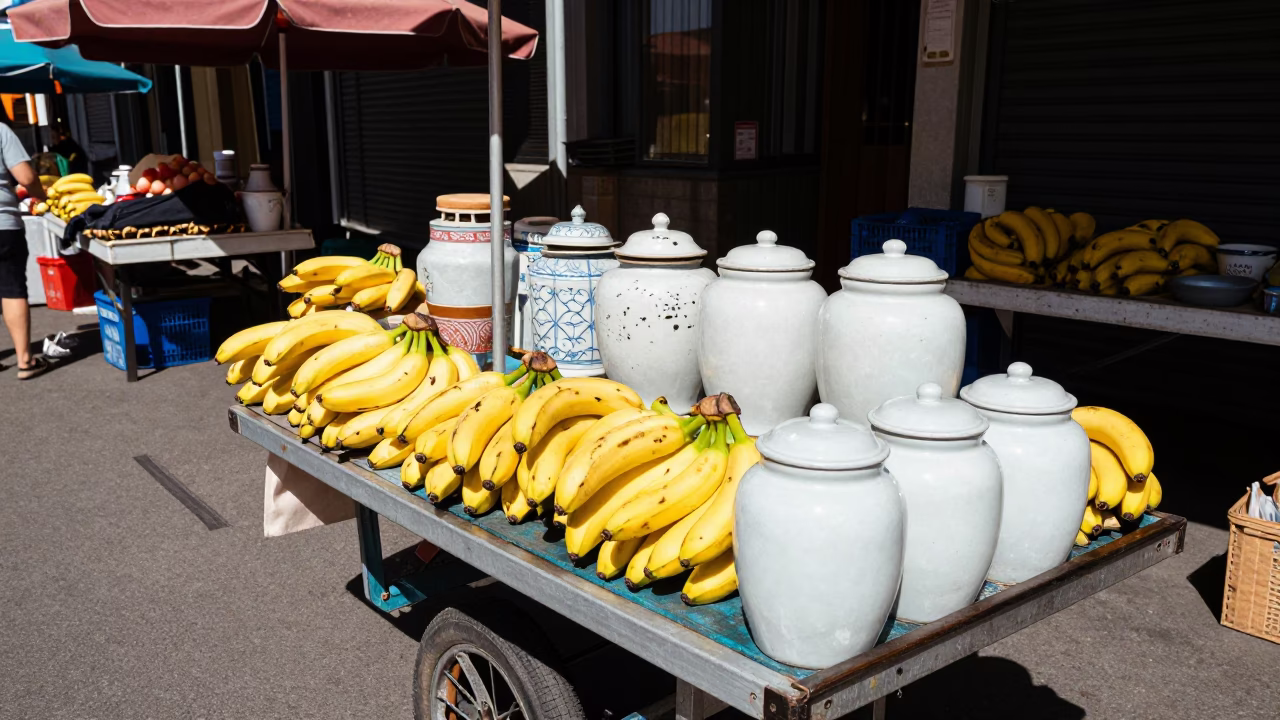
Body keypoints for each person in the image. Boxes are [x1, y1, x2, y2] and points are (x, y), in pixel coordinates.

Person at [0, 119, 48, 379]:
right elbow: (26, 177)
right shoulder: (1, 131)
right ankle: (25, 361)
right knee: (11, 288)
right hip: (2, 224)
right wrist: (41, 195)